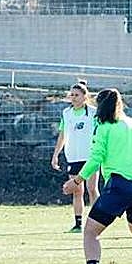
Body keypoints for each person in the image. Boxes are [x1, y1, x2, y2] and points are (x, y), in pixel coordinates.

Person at [62, 88, 132, 264]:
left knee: (90, 232)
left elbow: (95, 158)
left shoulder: (104, 127)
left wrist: (76, 180)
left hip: (119, 185)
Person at [50, 80, 98, 233]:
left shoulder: (93, 113)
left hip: (90, 156)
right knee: (77, 190)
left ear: (85, 96)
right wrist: (56, 154)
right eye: (72, 95)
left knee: (92, 189)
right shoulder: (66, 113)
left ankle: (97, 222)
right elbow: (62, 135)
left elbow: (100, 133)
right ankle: (78, 224)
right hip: (73, 157)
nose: (74, 98)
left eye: (77, 95)